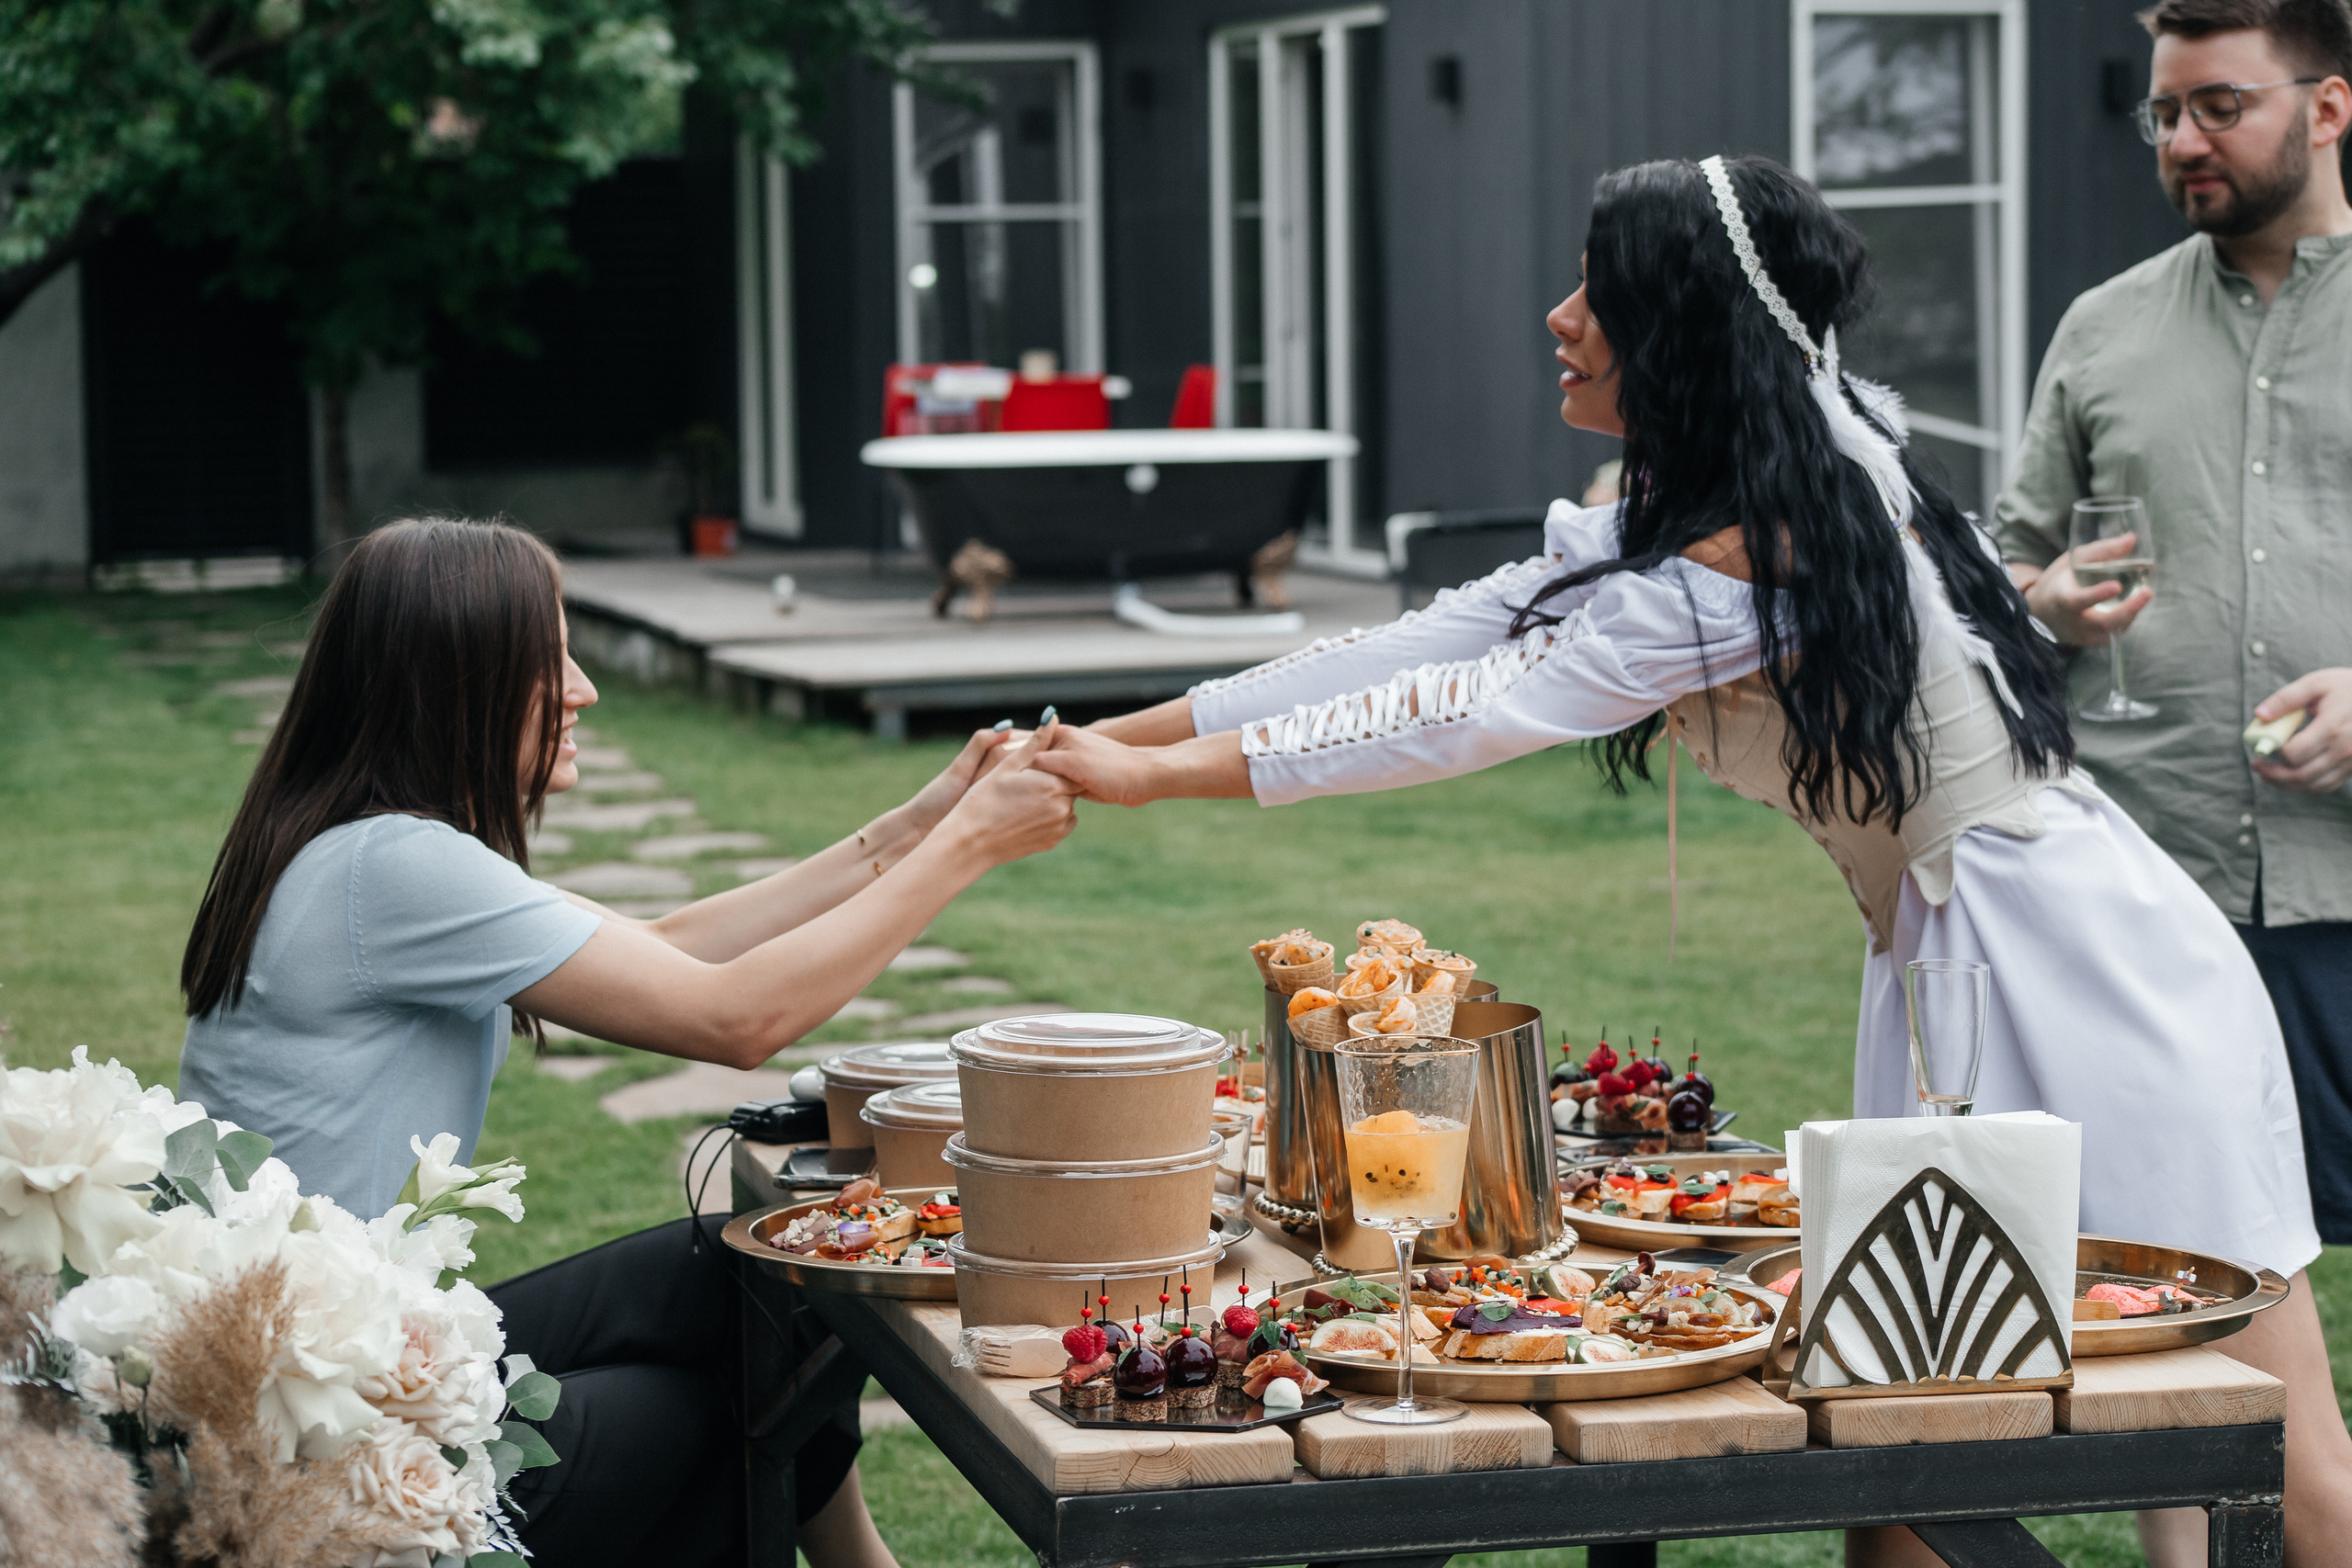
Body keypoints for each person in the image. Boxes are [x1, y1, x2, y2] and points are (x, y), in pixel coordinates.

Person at [1036, 155, 2347, 1567]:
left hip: (2089, 969)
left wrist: (1158, 777)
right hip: (1955, 958)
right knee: (1904, 1435)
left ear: (1683, 327)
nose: (1559, 315)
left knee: (2250, 1437)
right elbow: (1428, 641)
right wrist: (1126, 734)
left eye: (1598, 292)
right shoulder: (1754, 486)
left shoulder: (1751, 558)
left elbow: (1463, 714)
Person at [176, 517, 1079, 1568]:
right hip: (325, 1429)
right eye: (547, 659)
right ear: (454, 679)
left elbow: (658, 948)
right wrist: (968, 848)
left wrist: (916, 825)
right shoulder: (395, 869)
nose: (582, 689)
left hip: (340, 1355)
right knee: (709, 1421)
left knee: (759, 1279)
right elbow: (736, 1019)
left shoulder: (361, 850)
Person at [1995, 9, 2352, 1555]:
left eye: (2218, 105)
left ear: (2329, 103)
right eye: (2161, 114)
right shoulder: (2102, 326)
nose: (2181, 143)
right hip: (2152, 902)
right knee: (2165, 1280)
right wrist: (2047, 601)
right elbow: (1996, 577)